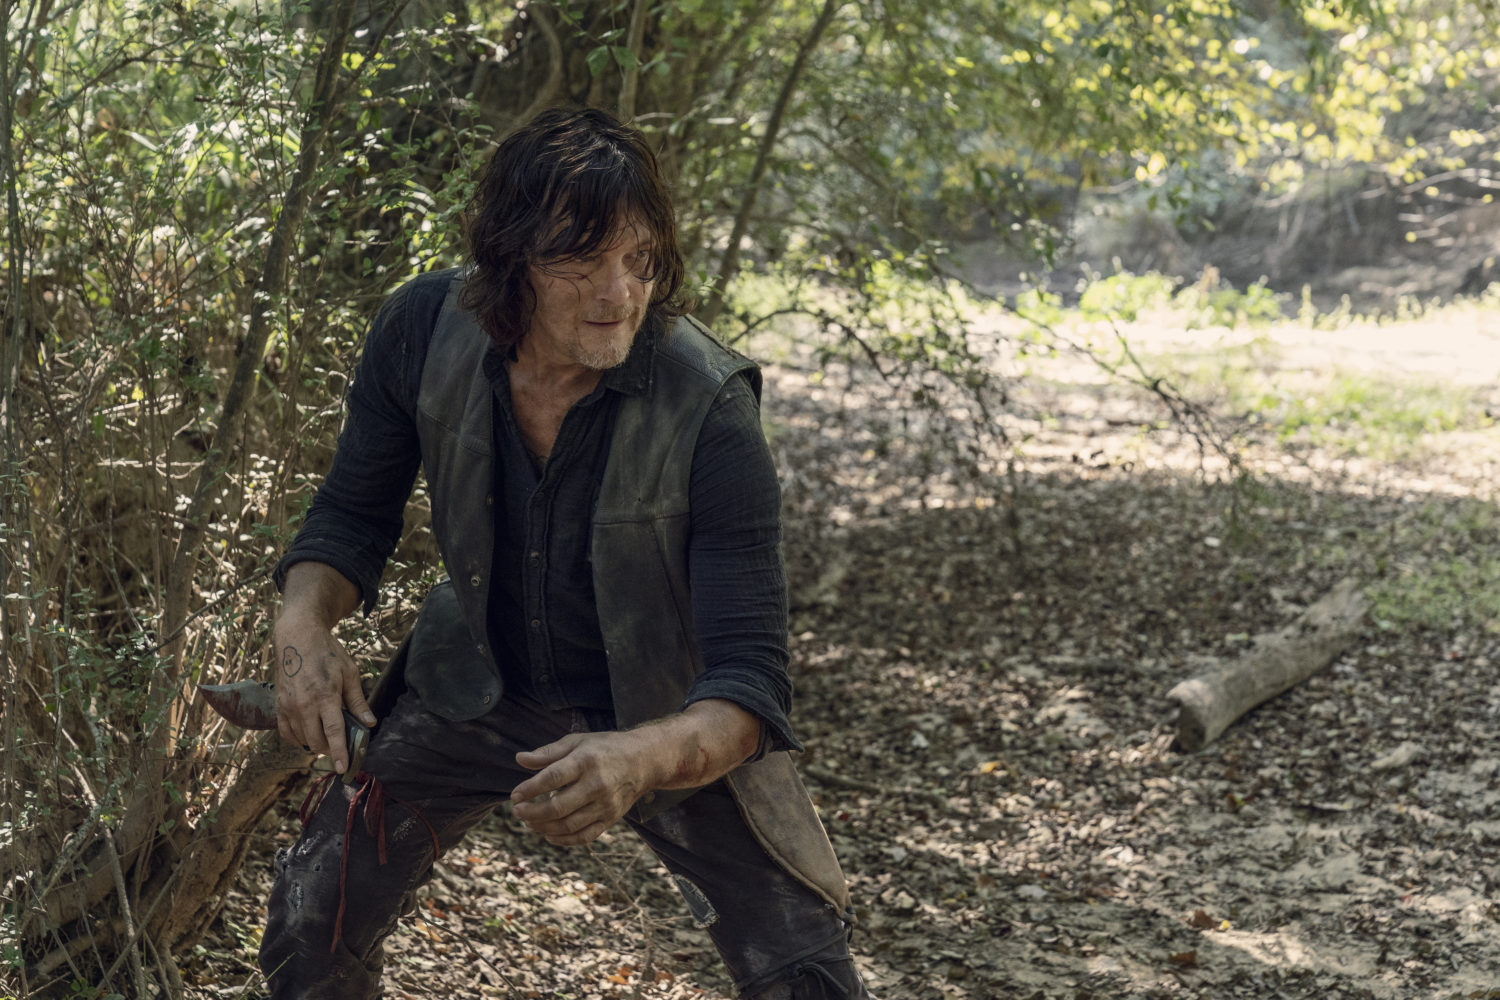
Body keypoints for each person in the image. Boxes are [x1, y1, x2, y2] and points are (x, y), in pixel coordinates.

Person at [258, 107, 875, 1000]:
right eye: (580, 261)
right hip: (478, 678)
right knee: (312, 920)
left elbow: (749, 684)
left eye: (639, 259)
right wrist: (302, 625)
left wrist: (637, 757)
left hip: (674, 718)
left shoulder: (711, 410)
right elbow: (351, 517)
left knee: (806, 979)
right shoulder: (423, 329)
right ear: (509, 261)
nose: (617, 293)